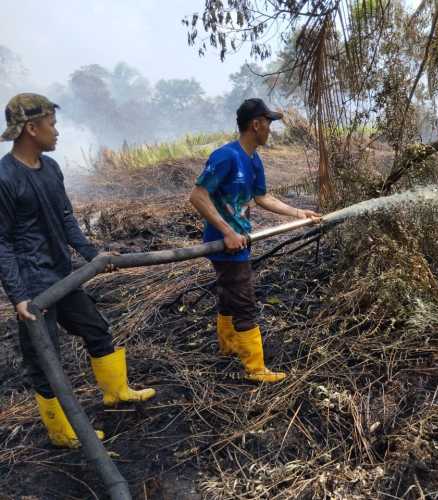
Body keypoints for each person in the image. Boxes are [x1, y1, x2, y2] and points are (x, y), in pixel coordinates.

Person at [0, 93, 156, 448]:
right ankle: (61, 432)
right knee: (45, 361)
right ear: (31, 128)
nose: (57, 132)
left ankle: (116, 392)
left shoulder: (51, 169)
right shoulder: (5, 178)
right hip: (33, 288)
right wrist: (19, 296)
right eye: (52, 125)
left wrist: (94, 254)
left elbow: (68, 220)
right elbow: (2, 242)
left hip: (62, 275)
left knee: (97, 328)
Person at [190, 98, 320, 383]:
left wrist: (298, 212)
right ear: (256, 124)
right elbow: (198, 196)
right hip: (226, 244)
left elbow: (262, 197)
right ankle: (255, 368)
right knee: (244, 301)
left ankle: (228, 345)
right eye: (269, 123)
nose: (270, 130)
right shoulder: (225, 156)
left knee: (229, 293)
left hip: (240, 240)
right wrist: (227, 231)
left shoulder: (254, 160)